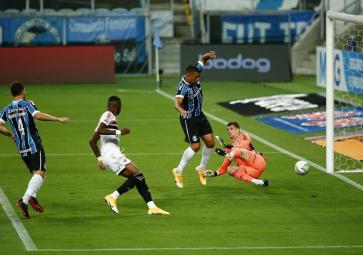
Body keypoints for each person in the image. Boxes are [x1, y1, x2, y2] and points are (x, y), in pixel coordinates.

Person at [89, 96, 169, 215]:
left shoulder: (110, 118)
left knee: (139, 177)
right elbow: (101, 130)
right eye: (120, 107)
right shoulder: (108, 114)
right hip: (112, 155)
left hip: (110, 155)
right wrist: (119, 132)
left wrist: (100, 159)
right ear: (117, 107)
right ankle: (112, 197)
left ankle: (152, 207)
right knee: (138, 175)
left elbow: (92, 141)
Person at [0, 81, 69, 219]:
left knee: (38, 173)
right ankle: (24, 200)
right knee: (40, 173)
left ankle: (33, 197)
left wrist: (9, 134)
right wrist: (58, 119)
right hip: (34, 145)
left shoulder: (6, 109)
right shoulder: (27, 104)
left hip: (22, 148)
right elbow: (37, 115)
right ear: (22, 91)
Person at [172, 51, 217, 188]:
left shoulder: (195, 73)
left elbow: (202, 60)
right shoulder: (183, 87)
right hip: (188, 119)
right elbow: (176, 103)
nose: (198, 79)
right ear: (188, 76)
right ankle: (178, 171)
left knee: (210, 142)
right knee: (196, 146)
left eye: (198, 76)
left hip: (200, 116)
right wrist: (181, 110)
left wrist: (208, 55)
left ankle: (201, 168)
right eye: (196, 77)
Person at [204, 122, 269, 187]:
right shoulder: (229, 148)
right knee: (229, 169)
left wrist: (230, 148)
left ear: (238, 130)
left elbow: (243, 145)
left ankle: (227, 155)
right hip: (252, 171)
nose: (229, 131)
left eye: (231, 129)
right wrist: (215, 173)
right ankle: (259, 182)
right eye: (227, 129)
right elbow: (224, 166)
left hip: (257, 162)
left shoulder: (244, 136)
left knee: (236, 150)